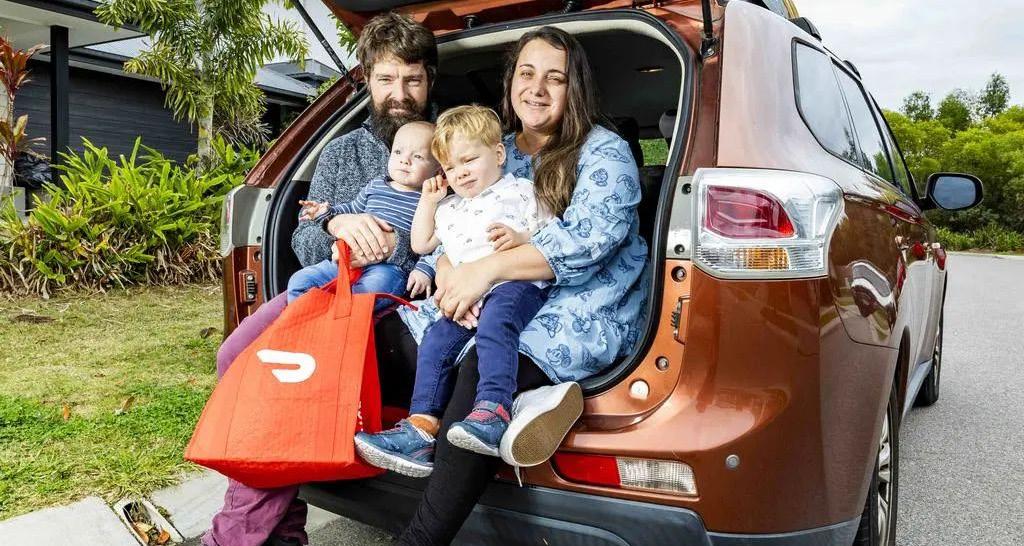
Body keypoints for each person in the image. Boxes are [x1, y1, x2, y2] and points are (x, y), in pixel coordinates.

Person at [392, 26, 649, 545]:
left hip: (580, 300)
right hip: (486, 292)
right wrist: (452, 276)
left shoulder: (605, 152)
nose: (537, 88)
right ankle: (473, 418)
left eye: (555, 78)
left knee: (478, 367)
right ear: (510, 81)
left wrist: (485, 272)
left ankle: (420, 538)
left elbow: (588, 241)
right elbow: (457, 226)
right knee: (405, 338)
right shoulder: (494, 148)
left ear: (575, 87)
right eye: (527, 73)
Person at [354, 105, 555, 477]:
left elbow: (552, 234)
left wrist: (521, 236)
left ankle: (493, 411)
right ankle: (420, 428)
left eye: (469, 160)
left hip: (514, 284)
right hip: (465, 295)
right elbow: (421, 243)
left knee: (495, 327)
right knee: (435, 340)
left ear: (498, 154)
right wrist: (429, 201)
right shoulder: (450, 208)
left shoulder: (521, 191)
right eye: (449, 167)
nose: (459, 172)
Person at [285, 121, 439, 312]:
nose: (405, 160)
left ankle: (341, 317)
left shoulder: (431, 201)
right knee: (299, 281)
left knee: (368, 293)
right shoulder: (376, 185)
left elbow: (435, 242)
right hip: (346, 260)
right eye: (398, 152)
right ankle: (309, 319)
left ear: (438, 169)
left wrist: (424, 270)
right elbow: (351, 209)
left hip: (389, 269)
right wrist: (326, 215)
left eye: (418, 156)